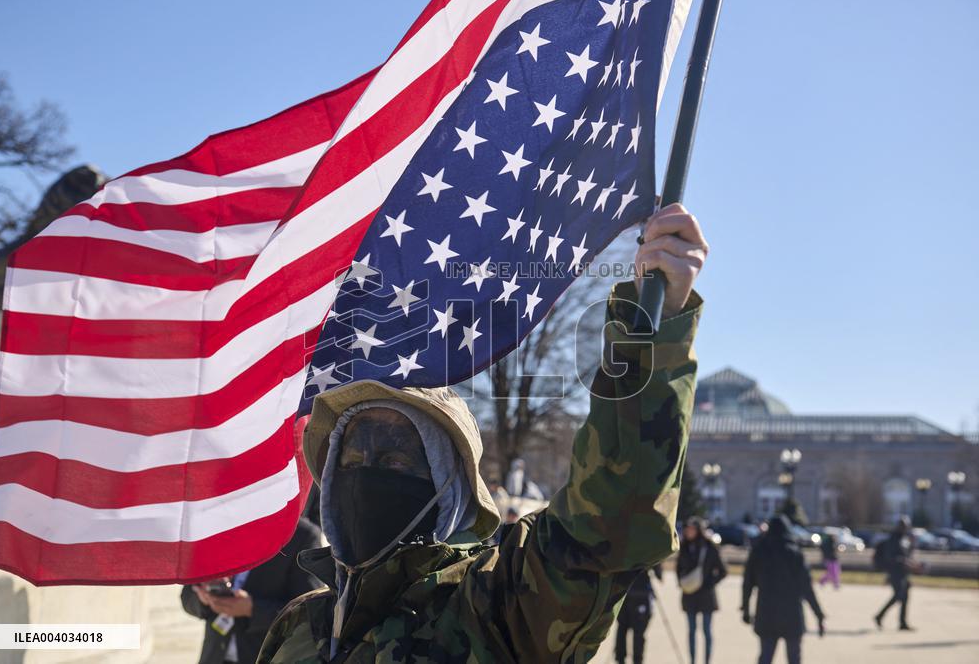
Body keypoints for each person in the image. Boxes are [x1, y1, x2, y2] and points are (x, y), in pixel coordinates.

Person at [256, 204, 709, 663]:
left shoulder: (496, 607)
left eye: (396, 461)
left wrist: (652, 325)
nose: (367, 478)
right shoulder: (301, 623)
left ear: (448, 485)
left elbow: (607, 521)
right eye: (353, 461)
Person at [181, 517, 321, 664]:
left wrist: (253, 609)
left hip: (267, 657)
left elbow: (310, 614)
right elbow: (187, 597)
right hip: (214, 657)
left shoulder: (302, 535)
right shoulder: (218, 527)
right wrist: (203, 599)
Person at [741, 515, 825, 664]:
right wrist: (818, 614)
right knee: (794, 658)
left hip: (767, 612)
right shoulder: (795, 553)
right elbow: (807, 588)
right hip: (791, 614)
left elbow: (747, 584)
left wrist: (746, 610)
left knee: (765, 657)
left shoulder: (758, 552)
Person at [677, 517, 726, 664]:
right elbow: (678, 569)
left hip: (706, 596)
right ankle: (692, 661)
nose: (688, 531)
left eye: (691, 529)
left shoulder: (709, 547)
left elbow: (723, 571)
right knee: (691, 631)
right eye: (687, 529)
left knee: (706, 631)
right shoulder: (684, 547)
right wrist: (682, 582)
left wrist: (709, 583)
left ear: (699, 530)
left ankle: (707, 661)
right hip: (689, 595)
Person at [873, 516, 918, 631]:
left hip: (903, 572)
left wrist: (911, 561)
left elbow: (906, 554)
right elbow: (890, 557)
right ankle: (879, 616)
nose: (905, 528)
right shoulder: (893, 540)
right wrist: (904, 561)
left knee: (905, 597)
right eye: (903, 526)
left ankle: (902, 622)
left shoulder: (904, 539)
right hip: (895, 572)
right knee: (898, 596)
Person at [614, 567, 663, 664]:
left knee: (622, 628)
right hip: (640, 593)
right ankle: (637, 660)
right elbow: (657, 570)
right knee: (638, 632)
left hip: (623, 592)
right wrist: (658, 573)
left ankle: (620, 658)